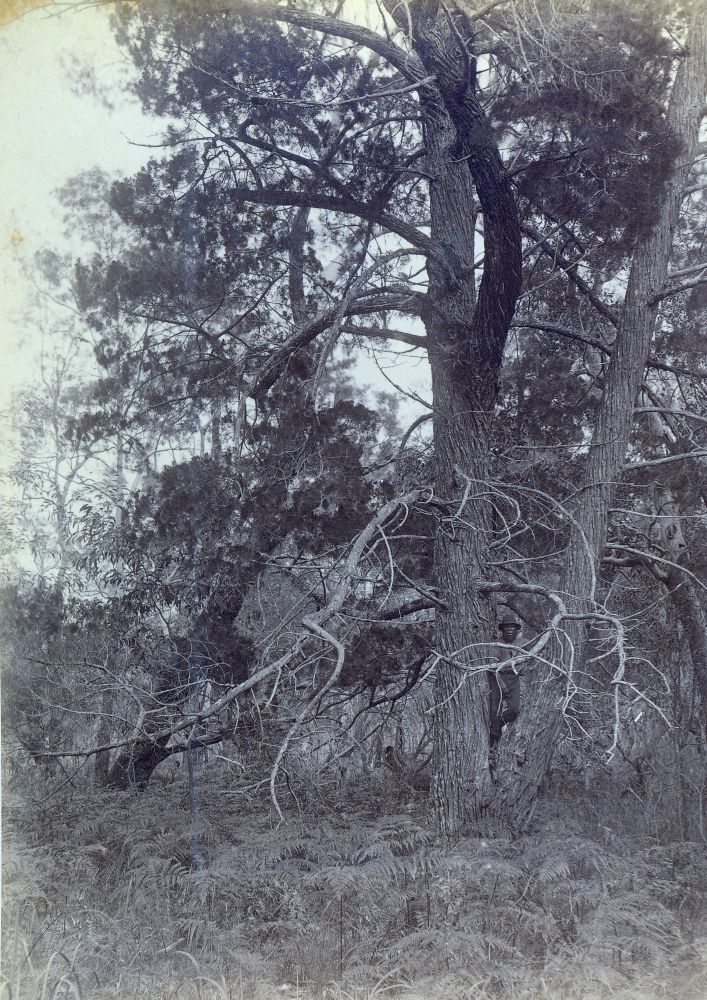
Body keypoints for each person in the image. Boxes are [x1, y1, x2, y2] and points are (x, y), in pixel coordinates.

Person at [488, 613, 527, 747]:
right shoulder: (497, 645)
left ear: (516, 629)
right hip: (497, 678)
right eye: (507, 627)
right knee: (494, 710)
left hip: (514, 678)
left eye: (512, 627)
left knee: (515, 710)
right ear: (502, 629)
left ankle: (497, 725)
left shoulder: (522, 643)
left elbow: (537, 647)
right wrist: (501, 683)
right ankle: (493, 745)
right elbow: (491, 667)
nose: (510, 630)